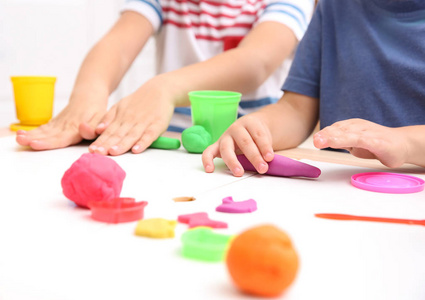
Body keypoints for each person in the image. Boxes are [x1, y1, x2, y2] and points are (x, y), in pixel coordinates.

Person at [15, 0, 315, 156]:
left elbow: (255, 62)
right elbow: (117, 46)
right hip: (169, 145)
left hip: (245, 151)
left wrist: (165, 87)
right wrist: (87, 97)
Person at [202, 0, 425, 177]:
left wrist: (406, 143)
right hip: (335, 185)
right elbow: (296, 109)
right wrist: (260, 128)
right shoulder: (335, 6)